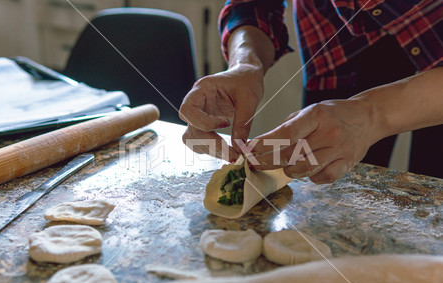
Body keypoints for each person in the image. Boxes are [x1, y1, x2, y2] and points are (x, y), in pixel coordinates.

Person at [179, 0, 443, 183]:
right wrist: (246, 62)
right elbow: (253, 5)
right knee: (330, 192)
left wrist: (372, 114)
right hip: (336, 45)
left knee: (432, 206)